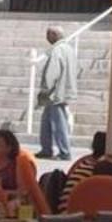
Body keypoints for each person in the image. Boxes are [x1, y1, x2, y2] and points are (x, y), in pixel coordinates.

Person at [35, 26, 78, 160]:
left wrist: (45, 90)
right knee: (46, 121)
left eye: (48, 34)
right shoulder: (69, 49)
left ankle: (65, 152)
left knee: (59, 123)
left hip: (55, 93)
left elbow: (52, 73)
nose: (47, 37)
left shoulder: (57, 51)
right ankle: (46, 149)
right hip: (61, 91)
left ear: (54, 35)